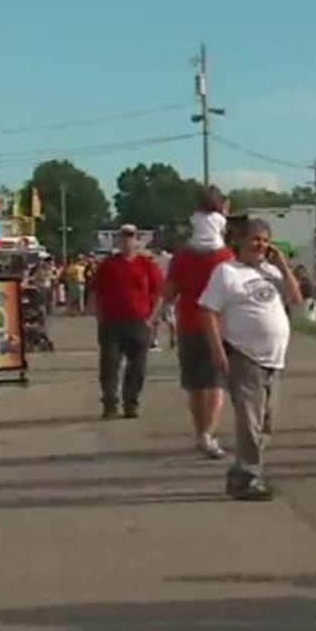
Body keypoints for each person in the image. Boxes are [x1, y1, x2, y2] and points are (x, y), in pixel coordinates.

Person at [201, 218, 305, 500]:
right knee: (249, 421)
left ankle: (240, 473)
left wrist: (282, 266)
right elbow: (207, 312)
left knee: (267, 422)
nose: (260, 245)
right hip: (244, 355)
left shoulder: (271, 272)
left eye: (265, 240)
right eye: (255, 239)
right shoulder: (227, 272)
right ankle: (249, 476)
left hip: (273, 360)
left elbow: (296, 299)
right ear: (241, 241)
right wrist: (218, 352)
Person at [164, 186, 235, 458]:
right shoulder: (225, 257)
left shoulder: (182, 256)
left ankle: (199, 432)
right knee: (215, 383)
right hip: (218, 327)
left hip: (188, 324)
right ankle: (209, 433)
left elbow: (169, 293)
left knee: (194, 385)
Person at [90, 226, 166, 419]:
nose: (127, 242)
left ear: (137, 241)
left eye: (131, 237)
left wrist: (151, 319)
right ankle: (110, 403)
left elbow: (159, 295)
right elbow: (96, 293)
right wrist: (99, 316)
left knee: (137, 368)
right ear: (118, 242)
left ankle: (131, 403)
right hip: (112, 324)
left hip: (139, 323)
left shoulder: (147, 266)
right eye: (123, 238)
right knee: (109, 365)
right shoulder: (108, 265)